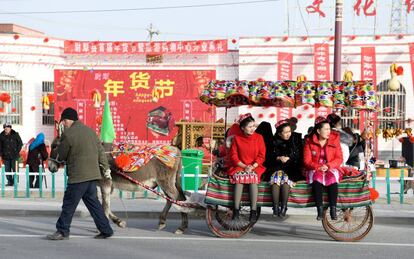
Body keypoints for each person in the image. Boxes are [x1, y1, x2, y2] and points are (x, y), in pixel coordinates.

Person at [47, 107, 113, 240]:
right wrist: (106, 169)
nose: (63, 124)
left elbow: (62, 154)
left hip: (78, 176)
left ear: (67, 120)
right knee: (93, 204)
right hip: (92, 175)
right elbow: (101, 152)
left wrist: (56, 159)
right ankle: (106, 230)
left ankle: (62, 231)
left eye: (64, 121)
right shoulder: (90, 132)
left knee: (69, 204)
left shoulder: (69, 134)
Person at [304, 116, 343, 221]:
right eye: (325, 129)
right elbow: (307, 161)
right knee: (317, 180)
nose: (328, 131)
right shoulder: (309, 141)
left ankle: (333, 209)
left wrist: (329, 166)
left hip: (330, 167)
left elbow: (339, 159)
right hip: (315, 168)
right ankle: (320, 210)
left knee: (333, 180)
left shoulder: (335, 140)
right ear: (318, 130)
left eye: (329, 128)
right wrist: (318, 167)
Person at [228, 113, 266, 223]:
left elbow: (261, 155)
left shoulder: (259, 138)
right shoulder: (237, 139)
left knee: (253, 180)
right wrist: (244, 166)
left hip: (255, 167)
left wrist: (252, 166)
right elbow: (233, 156)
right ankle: (236, 210)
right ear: (243, 128)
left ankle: (253, 211)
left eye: (254, 126)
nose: (252, 129)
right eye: (250, 127)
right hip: (240, 166)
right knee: (239, 180)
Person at [270, 119, 304, 218]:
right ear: (280, 134)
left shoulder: (295, 139)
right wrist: (278, 158)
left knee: (286, 179)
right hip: (277, 167)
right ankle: (275, 207)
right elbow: (269, 157)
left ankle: (284, 207)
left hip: (292, 167)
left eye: (289, 131)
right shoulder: (274, 141)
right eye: (285, 132)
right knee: (277, 176)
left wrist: (290, 158)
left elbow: (300, 156)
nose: (288, 134)